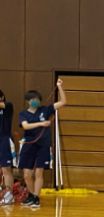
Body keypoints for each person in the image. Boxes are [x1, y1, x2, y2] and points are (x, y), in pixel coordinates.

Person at [18, 80, 67, 209]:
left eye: (37, 100)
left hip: (43, 145)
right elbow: (25, 126)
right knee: (27, 174)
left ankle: (36, 197)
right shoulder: (23, 114)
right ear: (28, 101)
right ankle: (31, 195)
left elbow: (63, 102)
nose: (35, 101)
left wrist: (60, 87)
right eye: (33, 100)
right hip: (29, 144)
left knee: (39, 172)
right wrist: (41, 123)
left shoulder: (45, 110)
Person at [0, 89, 15, 206]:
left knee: (6, 169)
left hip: (5, 139)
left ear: (2, 97)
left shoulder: (8, 106)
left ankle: (9, 195)